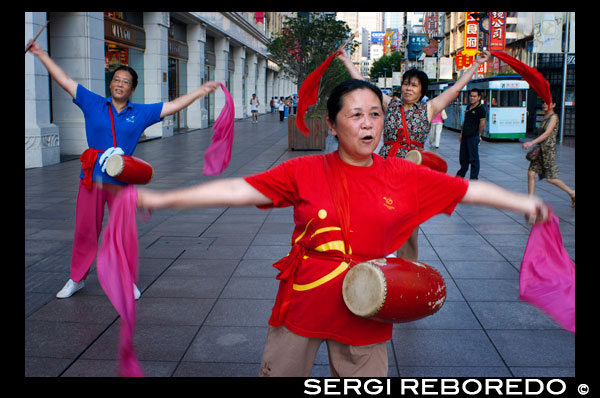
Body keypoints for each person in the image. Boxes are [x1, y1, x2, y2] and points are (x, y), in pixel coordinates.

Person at [136, 79, 548, 377]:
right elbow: (239, 189)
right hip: (306, 297)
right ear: (332, 126)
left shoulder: (402, 173)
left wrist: (522, 201)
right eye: (355, 115)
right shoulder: (305, 169)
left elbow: (465, 191)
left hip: (368, 300)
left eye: (375, 114)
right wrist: (165, 199)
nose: (368, 124)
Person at [26, 39, 220, 299]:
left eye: (125, 81)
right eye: (116, 79)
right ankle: (76, 278)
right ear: (110, 83)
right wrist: (40, 53)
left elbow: (174, 106)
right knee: (86, 230)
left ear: (132, 88)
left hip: (122, 178)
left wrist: (200, 91)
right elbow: (64, 80)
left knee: (121, 233)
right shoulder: (92, 103)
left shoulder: (140, 113)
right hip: (91, 178)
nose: (120, 84)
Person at [337, 46, 491, 260]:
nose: (408, 88)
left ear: (422, 91)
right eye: (406, 84)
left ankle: (406, 270)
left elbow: (455, 89)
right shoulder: (389, 103)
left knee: (409, 225)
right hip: (384, 168)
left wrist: (476, 64)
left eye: (414, 85)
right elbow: (365, 86)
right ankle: (374, 261)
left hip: (411, 174)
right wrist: (346, 61)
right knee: (377, 215)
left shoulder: (429, 108)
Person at [522, 98, 575, 207]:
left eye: (548, 103)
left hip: (547, 151)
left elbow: (547, 134)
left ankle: (572, 193)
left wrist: (531, 143)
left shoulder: (554, 117)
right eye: (543, 102)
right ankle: (530, 200)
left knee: (551, 178)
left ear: (554, 105)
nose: (545, 105)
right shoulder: (546, 116)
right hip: (540, 150)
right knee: (531, 173)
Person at [456, 88, 486, 180]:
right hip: (465, 136)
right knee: (463, 158)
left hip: (473, 137)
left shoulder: (481, 109)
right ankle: (460, 176)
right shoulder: (468, 107)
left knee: (473, 159)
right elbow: (465, 121)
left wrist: (478, 134)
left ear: (478, 97)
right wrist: (461, 134)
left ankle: (473, 179)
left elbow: (482, 124)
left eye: (474, 96)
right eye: (471, 96)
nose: (472, 98)